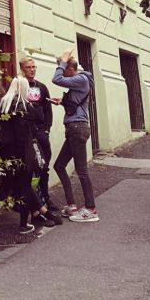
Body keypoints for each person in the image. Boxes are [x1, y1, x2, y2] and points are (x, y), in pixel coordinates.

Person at [0, 76, 56, 233]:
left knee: (4, 186)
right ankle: (23, 224)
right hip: (23, 153)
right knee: (25, 187)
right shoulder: (27, 107)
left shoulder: (0, 104)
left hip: (5, 152)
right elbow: (36, 124)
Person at [52, 49, 98, 222]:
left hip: (77, 128)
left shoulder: (81, 79)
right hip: (75, 128)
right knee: (59, 165)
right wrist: (62, 101)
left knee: (81, 170)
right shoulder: (78, 82)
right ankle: (71, 205)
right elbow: (76, 102)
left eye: (62, 68)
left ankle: (91, 209)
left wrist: (63, 59)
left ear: (70, 69)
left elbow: (56, 79)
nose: (61, 71)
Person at [20, 57, 59, 216]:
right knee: (29, 169)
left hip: (41, 132)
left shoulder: (41, 87)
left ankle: (46, 199)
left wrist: (46, 129)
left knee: (44, 166)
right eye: (28, 67)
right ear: (22, 69)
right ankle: (34, 203)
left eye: (33, 67)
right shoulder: (20, 86)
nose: (32, 70)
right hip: (26, 134)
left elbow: (47, 109)